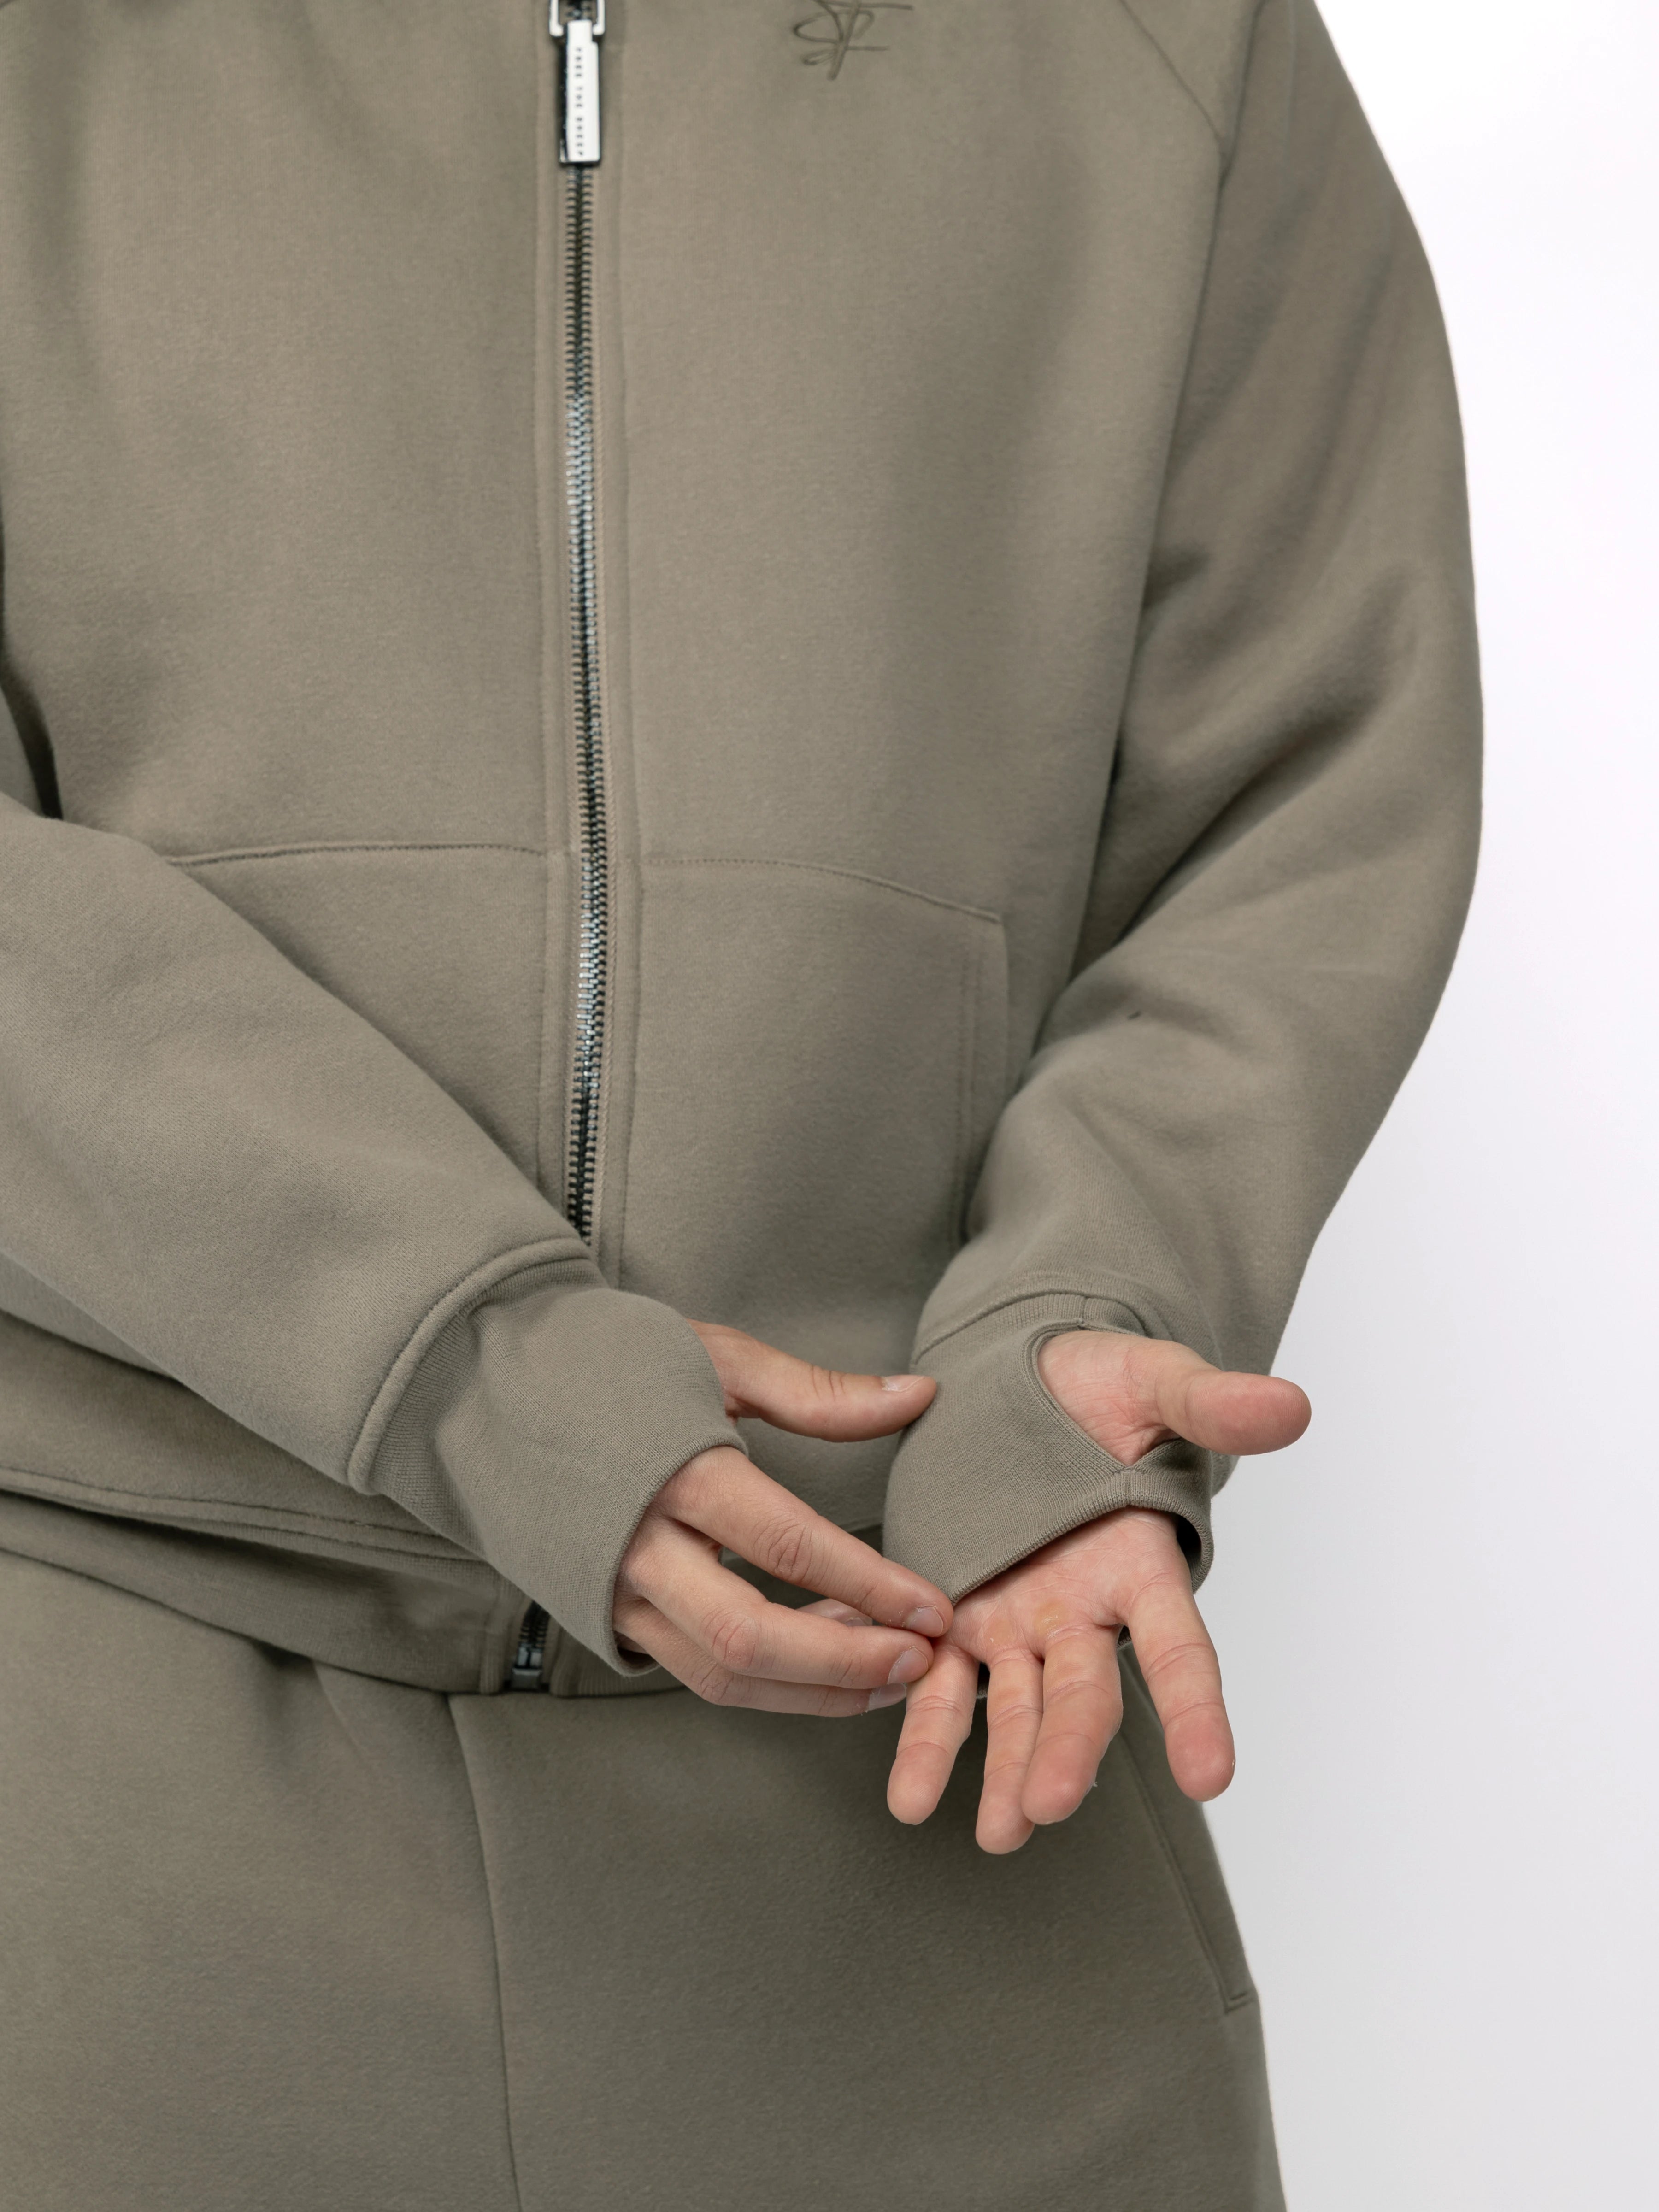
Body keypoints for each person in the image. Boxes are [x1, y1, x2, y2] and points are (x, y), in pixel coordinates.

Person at [0, 0, 1479, 2205]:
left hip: (947, 1728)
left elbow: (1307, 787)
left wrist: (1081, 1311)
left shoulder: (1171, 44)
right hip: (109, 1784)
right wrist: (473, 1361)